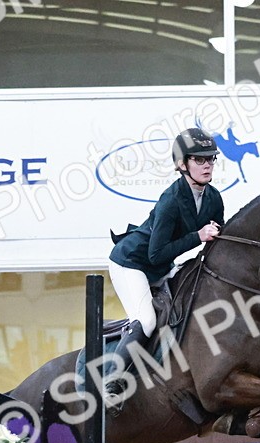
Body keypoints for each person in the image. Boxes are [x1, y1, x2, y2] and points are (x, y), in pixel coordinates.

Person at [105, 126, 224, 397]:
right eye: (199, 160)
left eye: (211, 159)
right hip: (132, 263)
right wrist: (197, 236)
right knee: (146, 320)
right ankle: (111, 381)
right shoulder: (170, 200)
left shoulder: (213, 197)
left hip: (161, 265)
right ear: (182, 164)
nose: (207, 166)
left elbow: (218, 238)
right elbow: (155, 254)